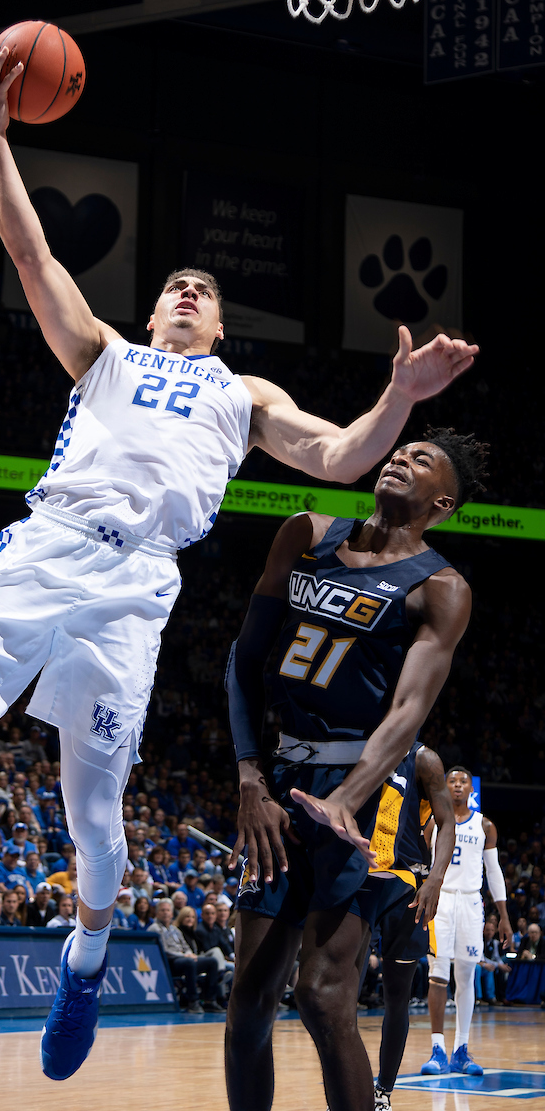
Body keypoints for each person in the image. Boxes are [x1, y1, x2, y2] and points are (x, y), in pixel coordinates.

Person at [0, 43, 478, 1088]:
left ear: (217, 323)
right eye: (175, 286)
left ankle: (84, 960)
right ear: (153, 315)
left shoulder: (242, 397)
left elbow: (339, 456)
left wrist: (400, 399)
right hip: (44, 547)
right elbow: (30, 255)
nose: (191, 289)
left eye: (204, 287)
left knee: (92, 812)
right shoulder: (104, 351)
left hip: (134, 588)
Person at [224, 429, 485, 1111]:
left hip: (357, 801)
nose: (401, 457)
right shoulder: (305, 533)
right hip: (277, 789)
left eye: (421, 459)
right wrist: (251, 777)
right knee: (248, 1002)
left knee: (322, 995)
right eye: (400, 450)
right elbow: (246, 660)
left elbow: (407, 713)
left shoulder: (442, 588)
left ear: (443, 502)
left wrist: (344, 800)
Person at [371, 743, 456, 1109]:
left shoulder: (423, 759)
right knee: (331, 997)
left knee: (397, 999)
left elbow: (447, 822)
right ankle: (344, 1090)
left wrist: (435, 879)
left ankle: (382, 1093)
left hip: (406, 888)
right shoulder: (353, 742)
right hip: (356, 878)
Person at [421, 767, 512, 1077]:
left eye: (463, 781)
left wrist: (504, 916)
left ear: (471, 788)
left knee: (466, 974)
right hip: (441, 900)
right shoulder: (434, 823)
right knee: (438, 974)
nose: (458, 785)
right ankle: (437, 1050)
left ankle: (461, 1049)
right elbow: (424, 865)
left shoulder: (485, 825)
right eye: (452, 781)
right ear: (445, 787)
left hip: (472, 902)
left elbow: (495, 872)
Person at [148, 897, 219, 1013]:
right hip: (169, 962)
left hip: (184, 959)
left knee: (212, 961)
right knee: (189, 962)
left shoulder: (175, 929)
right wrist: (184, 956)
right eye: (162, 910)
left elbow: (186, 946)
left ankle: (210, 1000)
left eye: (168, 910)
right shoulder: (154, 928)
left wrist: (190, 954)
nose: (165, 913)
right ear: (156, 913)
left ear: (172, 913)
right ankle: (193, 1002)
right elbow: (163, 951)